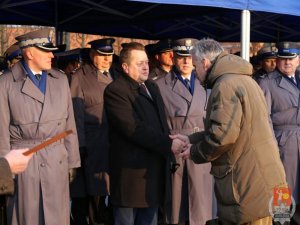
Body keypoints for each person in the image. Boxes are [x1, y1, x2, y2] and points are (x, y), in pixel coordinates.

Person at [171, 38, 287, 225]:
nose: (194, 71)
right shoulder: (243, 79)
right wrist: (190, 138)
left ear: (205, 63)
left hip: (249, 187)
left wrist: (193, 152)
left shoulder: (225, 85)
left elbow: (222, 138)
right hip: (270, 182)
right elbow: (234, 128)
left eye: (195, 66)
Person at [0, 28, 80, 225]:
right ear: (29, 53)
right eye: (46, 50)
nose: (52, 55)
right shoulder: (6, 83)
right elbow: (0, 130)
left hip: (56, 162)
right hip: (24, 165)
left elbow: (69, 124)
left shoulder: (60, 80)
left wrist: (72, 161)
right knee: (28, 217)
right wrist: (4, 172)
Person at [104, 42, 181, 225]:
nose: (146, 66)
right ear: (125, 67)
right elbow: (132, 128)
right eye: (139, 63)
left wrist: (170, 140)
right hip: (131, 178)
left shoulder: (152, 87)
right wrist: (167, 143)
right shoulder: (116, 90)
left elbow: (162, 123)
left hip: (152, 174)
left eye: (146, 62)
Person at [155, 38, 214, 225]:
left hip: (201, 148)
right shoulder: (159, 85)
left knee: (202, 206)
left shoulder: (208, 83)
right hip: (175, 149)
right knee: (176, 206)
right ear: (173, 58)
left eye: (190, 57)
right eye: (181, 57)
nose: (187, 61)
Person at [70, 38, 116, 225]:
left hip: (114, 141)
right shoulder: (80, 77)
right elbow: (76, 114)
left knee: (112, 192)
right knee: (94, 194)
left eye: (109, 55)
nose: (107, 59)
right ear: (92, 55)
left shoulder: (117, 74)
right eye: (102, 55)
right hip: (93, 143)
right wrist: (80, 144)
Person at [259, 41, 300, 224]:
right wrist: (271, 146)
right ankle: (282, 221)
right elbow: (264, 118)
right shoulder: (267, 83)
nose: (287, 63)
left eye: (291, 59)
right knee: (282, 188)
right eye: (283, 59)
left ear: (298, 60)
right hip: (283, 142)